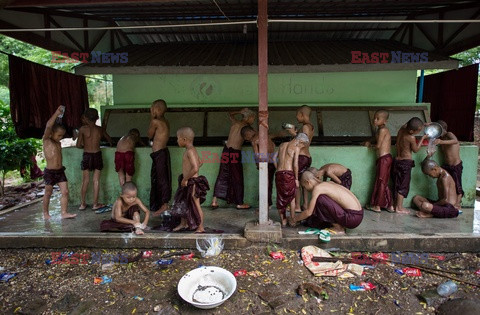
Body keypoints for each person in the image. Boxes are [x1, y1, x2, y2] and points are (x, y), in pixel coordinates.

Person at [288, 171, 363, 234]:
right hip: (358, 215)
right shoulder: (329, 183)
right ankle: (339, 224)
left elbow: (308, 212)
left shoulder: (318, 189)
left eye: (304, 187)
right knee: (320, 202)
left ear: (308, 182)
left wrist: (294, 219)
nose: (306, 190)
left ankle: (339, 228)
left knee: (320, 199)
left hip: (352, 218)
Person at [210, 108, 255, 210]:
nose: (253, 120)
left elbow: (230, 114)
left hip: (226, 150)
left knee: (222, 174)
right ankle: (239, 203)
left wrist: (240, 111)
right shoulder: (246, 128)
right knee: (237, 177)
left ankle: (214, 201)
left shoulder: (236, 123)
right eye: (253, 118)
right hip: (234, 153)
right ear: (249, 117)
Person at [170, 127, 210, 233]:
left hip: (192, 182)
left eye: (177, 138)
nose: (176, 140)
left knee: (195, 205)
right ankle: (183, 224)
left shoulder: (190, 151)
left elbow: (196, 167)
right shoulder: (191, 149)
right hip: (187, 180)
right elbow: (200, 162)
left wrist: (186, 178)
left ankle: (200, 227)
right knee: (183, 202)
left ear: (184, 139)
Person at [42, 106, 77, 220]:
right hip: (50, 172)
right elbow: (48, 125)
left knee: (65, 192)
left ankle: (64, 212)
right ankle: (46, 214)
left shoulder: (58, 143)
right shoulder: (46, 140)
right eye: (59, 135)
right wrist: (56, 113)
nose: (61, 138)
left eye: (62, 135)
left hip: (60, 171)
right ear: (51, 133)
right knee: (48, 193)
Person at [76, 108, 112, 210]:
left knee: (85, 181)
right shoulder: (100, 129)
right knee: (96, 181)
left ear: (85, 118)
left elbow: (78, 145)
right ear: (97, 118)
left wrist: (85, 145)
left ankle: (82, 204)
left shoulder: (82, 129)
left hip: (87, 155)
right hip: (97, 155)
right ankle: (95, 204)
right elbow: (109, 140)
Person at [392, 117, 428, 214]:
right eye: (418, 131)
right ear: (412, 131)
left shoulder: (401, 130)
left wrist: (423, 124)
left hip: (397, 161)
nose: (419, 132)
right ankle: (399, 208)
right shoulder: (411, 137)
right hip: (405, 163)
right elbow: (416, 150)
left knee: (397, 184)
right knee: (403, 186)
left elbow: (408, 123)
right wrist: (422, 138)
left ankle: (394, 205)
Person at [275, 133, 310, 227]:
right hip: (288, 174)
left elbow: (274, 159)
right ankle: (292, 220)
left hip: (278, 173)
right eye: (303, 145)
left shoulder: (282, 145)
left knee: (280, 197)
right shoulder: (296, 148)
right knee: (292, 197)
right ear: (300, 141)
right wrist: (296, 179)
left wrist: (278, 168)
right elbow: (295, 165)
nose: (302, 147)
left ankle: (283, 221)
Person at [285, 105, 315, 212]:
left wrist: (294, 134)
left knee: (296, 182)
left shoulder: (306, 127)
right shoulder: (311, 126)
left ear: (302, 114)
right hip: (307, 157)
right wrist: (297, 133)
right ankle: (305, 205)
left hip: (301, 157)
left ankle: (297, 206)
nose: (296, 117)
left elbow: (304, 141)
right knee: (303, 182)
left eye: (297, 115)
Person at [364, 110, 394, 212]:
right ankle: (390, 205)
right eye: (374, 118)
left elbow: (378, 146)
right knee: (383, 181)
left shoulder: (382, 130)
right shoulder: (380, 129)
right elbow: (375, 138)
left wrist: (370, 145)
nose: (375, 120)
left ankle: (377, 206)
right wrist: (369, 141)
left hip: (384, 159)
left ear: (385, 121)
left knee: (380, 182)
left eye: (378, 118)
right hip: (385, 158)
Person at [241, 125, 277, 207]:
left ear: (248, 133)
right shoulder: (265, 135)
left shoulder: (254, 140)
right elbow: (273, 146)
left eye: (247, 137)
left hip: (264, 163)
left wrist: (257, 164)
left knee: (264, 184)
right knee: (269, 183)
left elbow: (257, 154)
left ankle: (265, 204)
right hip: (273, 162)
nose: (248, 139)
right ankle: (268, 203)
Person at [148, 99, 172, 216]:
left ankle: (164, 205)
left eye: (152, 109)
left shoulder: (155, 122)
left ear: (157, 109)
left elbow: (149, 135)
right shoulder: (166, 121)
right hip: (162, 153)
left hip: (159, 154)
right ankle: (159, 204)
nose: (151, 111)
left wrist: (152, 117)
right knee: (160, 178)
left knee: (161, 179)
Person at [433, 120, 463, 209]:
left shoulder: (449, 134)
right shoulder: (441, 138)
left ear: (442, 129)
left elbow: (455, 141)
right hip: (447, 165)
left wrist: (441, 142)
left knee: (458, 185)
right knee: (447, 183)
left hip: (455, 165)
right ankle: (445, 200)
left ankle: (457, 204)